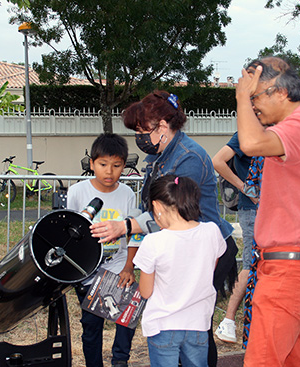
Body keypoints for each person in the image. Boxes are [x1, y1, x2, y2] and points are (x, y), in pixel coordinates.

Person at [93, 90, 238, 366]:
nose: (139, 138)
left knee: (197, 323)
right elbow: (150, 206)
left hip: (206, 250)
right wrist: (126, 224)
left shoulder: (188, 158)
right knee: (184, 323)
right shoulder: (160, 155)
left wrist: (124, 225)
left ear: (162, 126)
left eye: (142, 130)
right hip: (179, 249)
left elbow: (170, 211)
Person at [236, 57, 300, 366]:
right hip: (289, 264)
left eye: (256, 96)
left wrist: (240, 94)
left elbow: (250, 143)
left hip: (289, 267)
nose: (252, 105)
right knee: (291, 360)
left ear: (280, 92)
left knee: (261, 361)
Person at [133, 175, 226, 367]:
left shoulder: (153, 242)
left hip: (163, 324)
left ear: (157, 206)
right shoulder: (212, 232)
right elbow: (209, 268)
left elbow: (145, 291)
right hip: (198, 323)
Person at [67, 133, 136, 367]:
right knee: (91, 327)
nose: (109, 172)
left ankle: (120, 361)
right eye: (103, 165)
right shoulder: (77, 192)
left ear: (124, 167)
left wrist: (129, 266)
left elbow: (133, 233)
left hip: (119, 268)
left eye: (116, 166)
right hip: (88, 272)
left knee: (126, 318)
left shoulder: (127, 194)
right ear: (92, 164)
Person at [212, 134, 257, 343]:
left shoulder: (281, 128)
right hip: (253, 208)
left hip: (278, 207)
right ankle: (228, 321)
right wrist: (245, 187)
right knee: (251, 261)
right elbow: (218, 161)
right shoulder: (246, 134)